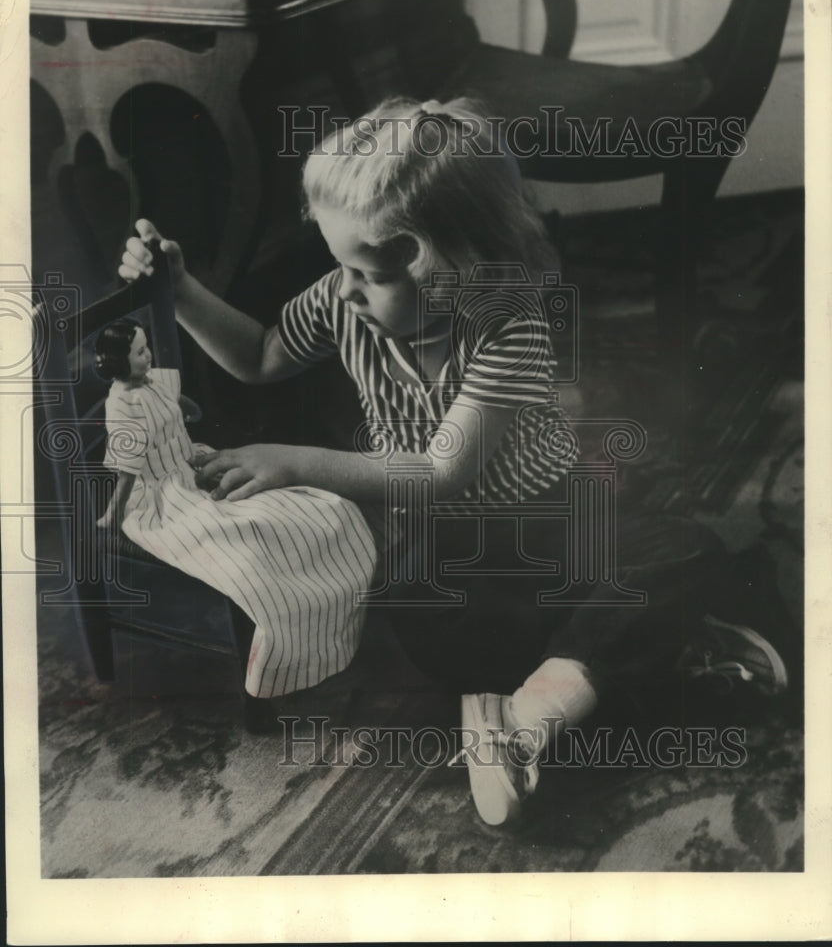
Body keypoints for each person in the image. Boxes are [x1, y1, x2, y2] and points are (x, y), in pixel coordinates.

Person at [118, 95, 788, 825]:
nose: (342, 289)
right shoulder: (347, 301)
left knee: (679, 549)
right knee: (459, 621)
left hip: (550, 522)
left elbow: (443, 473)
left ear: (443, 268)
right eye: (339, 266)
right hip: (447, 557)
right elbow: (259, 353)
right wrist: (179, 290)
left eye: (365, 273)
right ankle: (607, 670)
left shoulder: (508, 326)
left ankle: (531, 712)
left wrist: (296, 460)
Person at [94, 318, 377, 730]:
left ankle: (316, 651)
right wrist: (113, 515)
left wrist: (187, 414)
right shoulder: (121, 407)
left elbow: (180, 404)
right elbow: (125, 472)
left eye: (146, 346)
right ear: (120, 362)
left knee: (327, 511)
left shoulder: (152, 380)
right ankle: (268, 689)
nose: (148, 355)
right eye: (139, 352)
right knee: (252, 557)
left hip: (192, 465)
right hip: (161, 498)